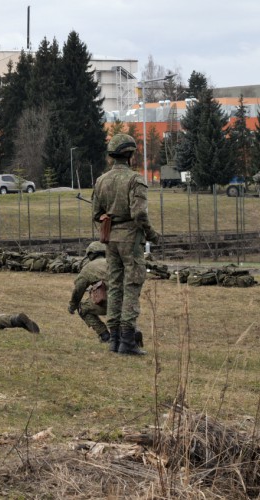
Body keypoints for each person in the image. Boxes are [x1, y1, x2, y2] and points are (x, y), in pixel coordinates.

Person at [92, 133, 160, 356]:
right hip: (131, 238)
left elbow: (96, 214)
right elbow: (139, 213)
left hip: (110, 239)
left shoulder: (101, 181)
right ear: (129, 155)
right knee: (132, 285)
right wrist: (151, 234)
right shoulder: (135, 179)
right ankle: (128, 341)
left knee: (114, 285)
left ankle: (114, 340)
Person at [68, 242, 110, 343]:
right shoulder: (114, 262)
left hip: (110, 301)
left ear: (90, 254)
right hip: (127, 301)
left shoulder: (89, 267)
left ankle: (104, 335)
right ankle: (131, 332)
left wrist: (73, 305)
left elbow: (78, 289)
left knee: (83, 309)